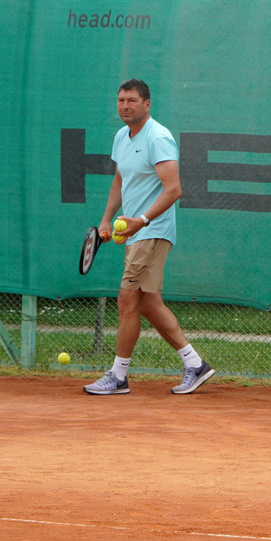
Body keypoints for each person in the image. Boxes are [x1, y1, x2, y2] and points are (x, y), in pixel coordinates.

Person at [83, 78, 215, 396]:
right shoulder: (121, 137)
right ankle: (195, 365)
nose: (125, 106)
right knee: (149, 304)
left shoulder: (158, 137)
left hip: (151, 232)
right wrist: (106, 220)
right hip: (134, 233)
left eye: (131, 100)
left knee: (127, 301)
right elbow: (119, 181)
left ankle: (118, 376)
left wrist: (140, 221)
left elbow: (174, 190)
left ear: (147, 104)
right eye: (120, 100)